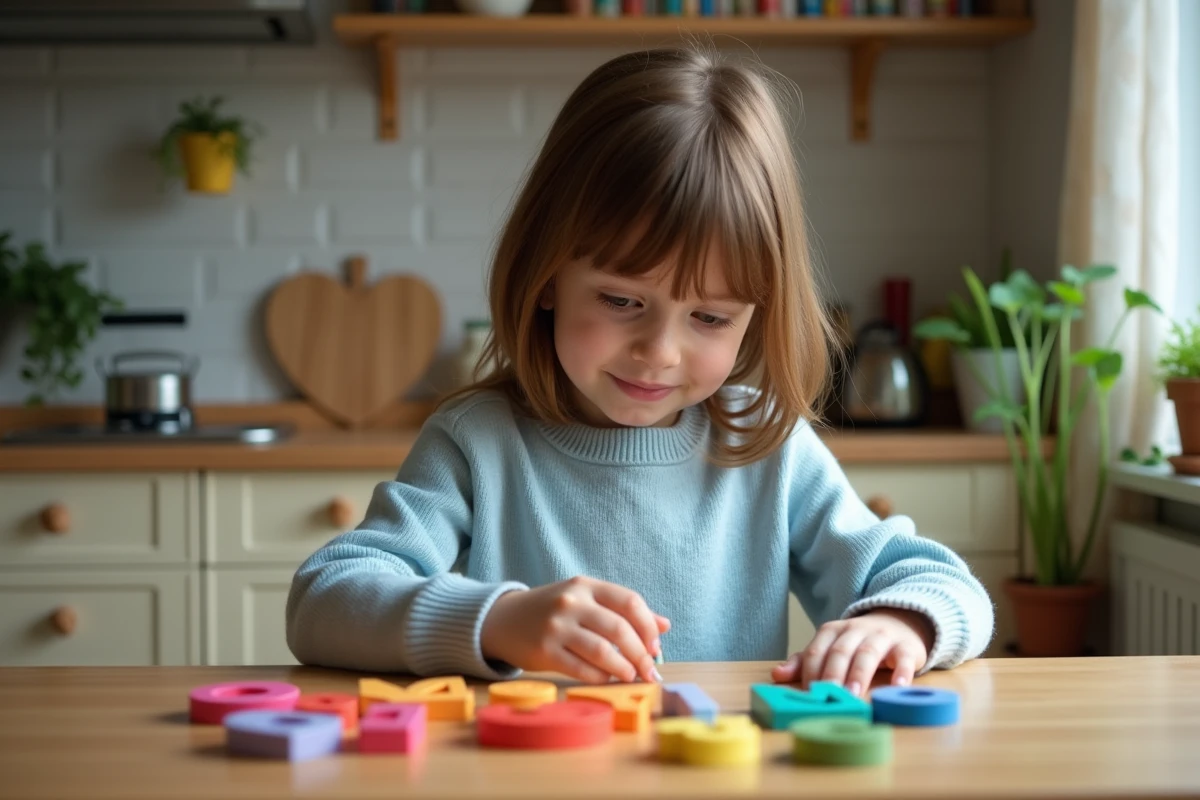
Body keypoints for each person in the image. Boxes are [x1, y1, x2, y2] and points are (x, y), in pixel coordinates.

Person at [286, 46, 994, 695]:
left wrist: (902, 624)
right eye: (623, 301)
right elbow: (325, 599)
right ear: (546, 275)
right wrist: (498, 619)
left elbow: (944, 586)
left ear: (758, 312)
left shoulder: (767, 447)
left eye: (710, 318)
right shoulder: (478, 441)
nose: (660, 351)